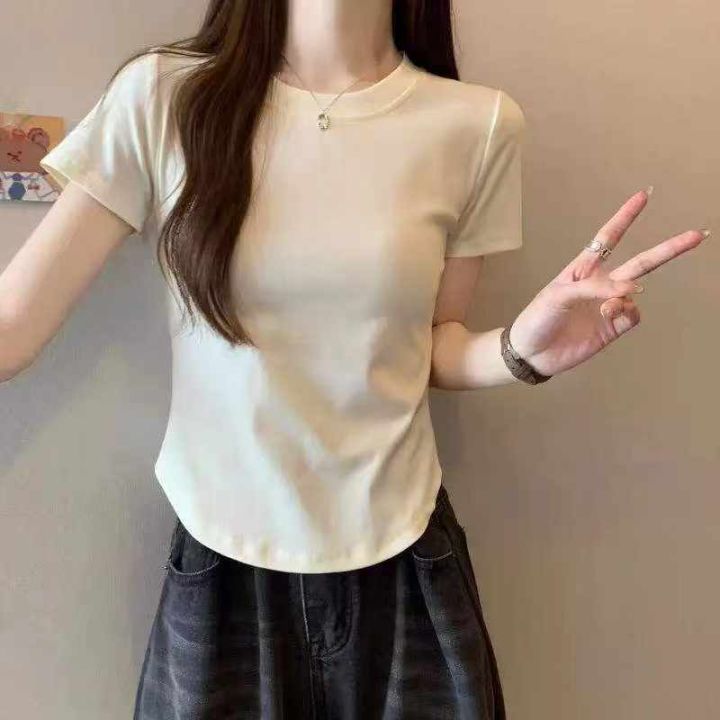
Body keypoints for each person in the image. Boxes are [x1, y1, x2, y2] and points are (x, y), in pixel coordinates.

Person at [0, 1, 708, 718]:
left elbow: (433, 343)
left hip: (406, 563)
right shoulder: (165, 96)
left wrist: (519, 351)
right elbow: (12, 330)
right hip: (222, 565)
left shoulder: (479, 124)